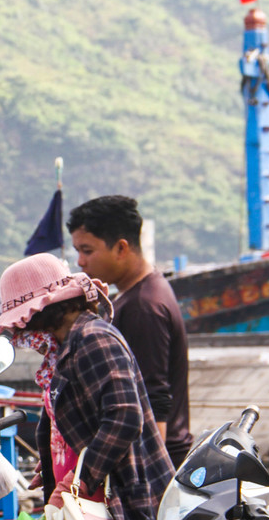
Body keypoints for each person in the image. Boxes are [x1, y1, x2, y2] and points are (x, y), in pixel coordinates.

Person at [0, 253, 170, 520]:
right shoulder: (66, 345)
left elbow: (124, 418)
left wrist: (77, 481)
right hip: (82, 490)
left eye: (26, 317)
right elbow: (67, 414)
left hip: (118, 495)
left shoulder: (94, 339)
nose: (25, 328)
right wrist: (51, 460)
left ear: (48, 307)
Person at [67, 195, 193, 467]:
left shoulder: (143, 307)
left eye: (87, 250)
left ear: (121, 248)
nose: (80, 262)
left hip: (154, 458)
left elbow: (153, 396)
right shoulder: (143, 292)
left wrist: (155, 477)